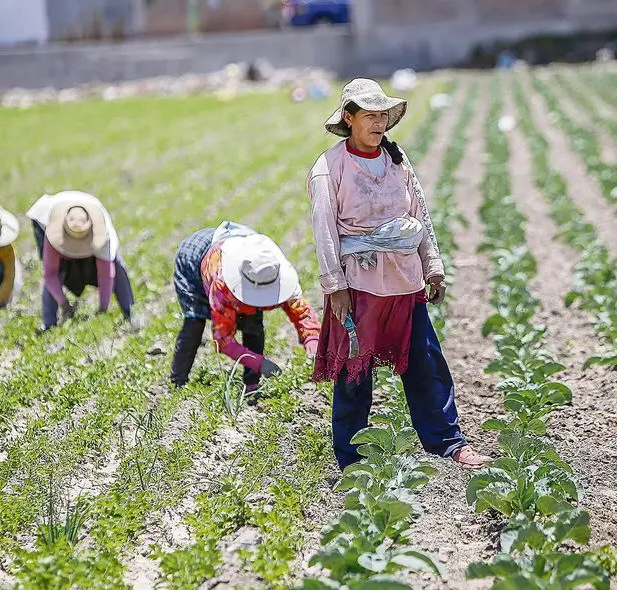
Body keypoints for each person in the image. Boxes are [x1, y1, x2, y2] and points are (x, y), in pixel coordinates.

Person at [307, 78, 490, 471]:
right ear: (348, 118)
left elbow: (418, 214)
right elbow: (324, 232)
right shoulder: (329, 167)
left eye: (382, 115)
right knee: (354, 374)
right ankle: (352, 461)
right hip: (359, 285)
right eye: (369, 115)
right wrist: (335, 288)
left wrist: (433, 266)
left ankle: (449, 443)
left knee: (427, 365)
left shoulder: (397, 159)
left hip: (405, 282)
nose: (378, 123)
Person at [170, 221, 320, 392]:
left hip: (231, 244)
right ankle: (178, 382)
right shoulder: (223, 285)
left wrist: (312, 341)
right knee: (194, 323)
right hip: (194, 258)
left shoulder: (269, 268)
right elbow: (223, 339)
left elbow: (301, 311)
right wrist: (259, 363)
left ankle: (251, 385)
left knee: (252, 322)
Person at [26, 191, 135, 329]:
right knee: (56, 275)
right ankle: (49, 324)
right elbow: (50, 274)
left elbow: (107, 274)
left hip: (95, 249)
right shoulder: (53, 235)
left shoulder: (102, 234)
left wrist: (103, 307)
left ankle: (130, 311)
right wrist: (64, 304)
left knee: (117, 266)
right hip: (55, 232)